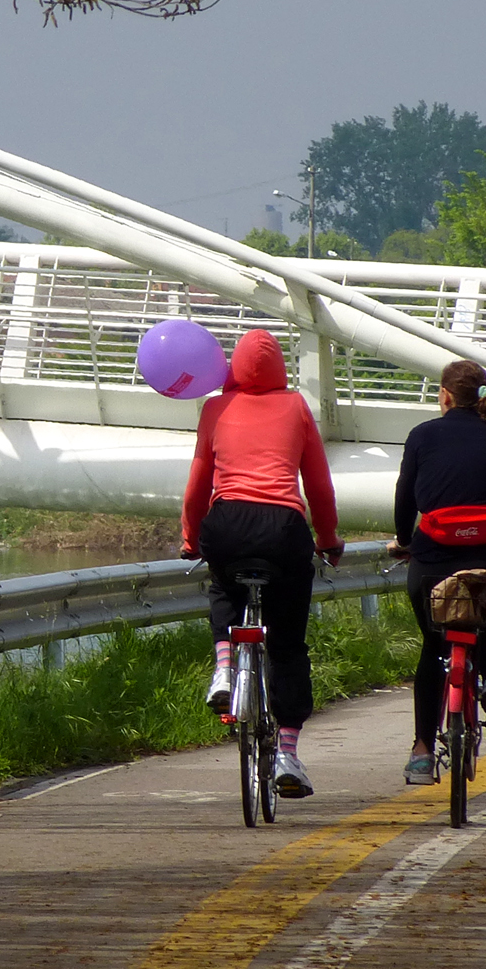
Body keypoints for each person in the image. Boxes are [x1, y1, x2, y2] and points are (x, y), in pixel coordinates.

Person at [180, 329, 344, 798]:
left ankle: (224, 669)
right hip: (284, 530)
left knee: (224, 587)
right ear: (281, 369)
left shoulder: (215, 407)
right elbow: (319, 485)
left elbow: (197, 484)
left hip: (227, 523)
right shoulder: (295, 406)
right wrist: (328, 539)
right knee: (288, 644)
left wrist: (192, 539)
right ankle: (288, 753)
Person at [387, 358, 486, 786]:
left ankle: (421, 752)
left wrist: (403, 538)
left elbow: (405, 493)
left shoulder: (421, 435)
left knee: (432, 647)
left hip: (432, 557)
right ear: (481, 397)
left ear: (445, 395)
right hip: (485, 555)